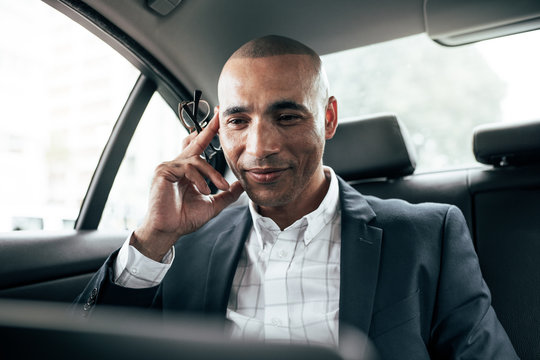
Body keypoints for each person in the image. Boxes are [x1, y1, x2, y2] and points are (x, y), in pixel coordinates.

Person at [75, 35, 517, 359]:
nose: (259, 145)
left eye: (286, 116)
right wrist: (152, 239)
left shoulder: (427, 235)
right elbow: (83, 350)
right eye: (238, 121)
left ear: (328, 118)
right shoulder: (178, 248)